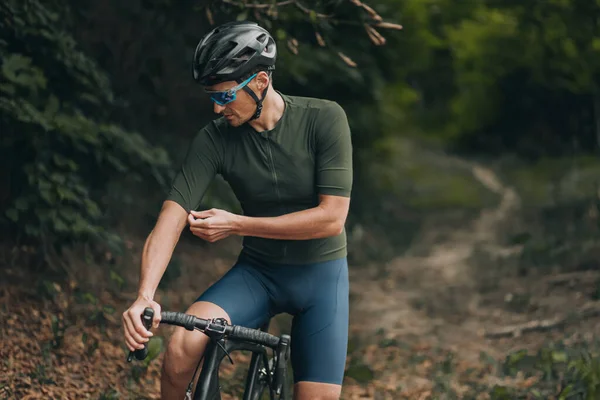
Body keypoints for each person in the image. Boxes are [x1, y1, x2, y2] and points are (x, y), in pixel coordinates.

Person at [122, 21, 353, 400]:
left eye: (226, 96)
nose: (216, 107)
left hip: (321, 280)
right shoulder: (215, 138)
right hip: (258, 275)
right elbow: (172, 215)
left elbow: (331, 219)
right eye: (212, 96)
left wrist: (237, 224)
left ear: (260, 81)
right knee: (180, 349)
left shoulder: (324, 119)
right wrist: (145, 294)